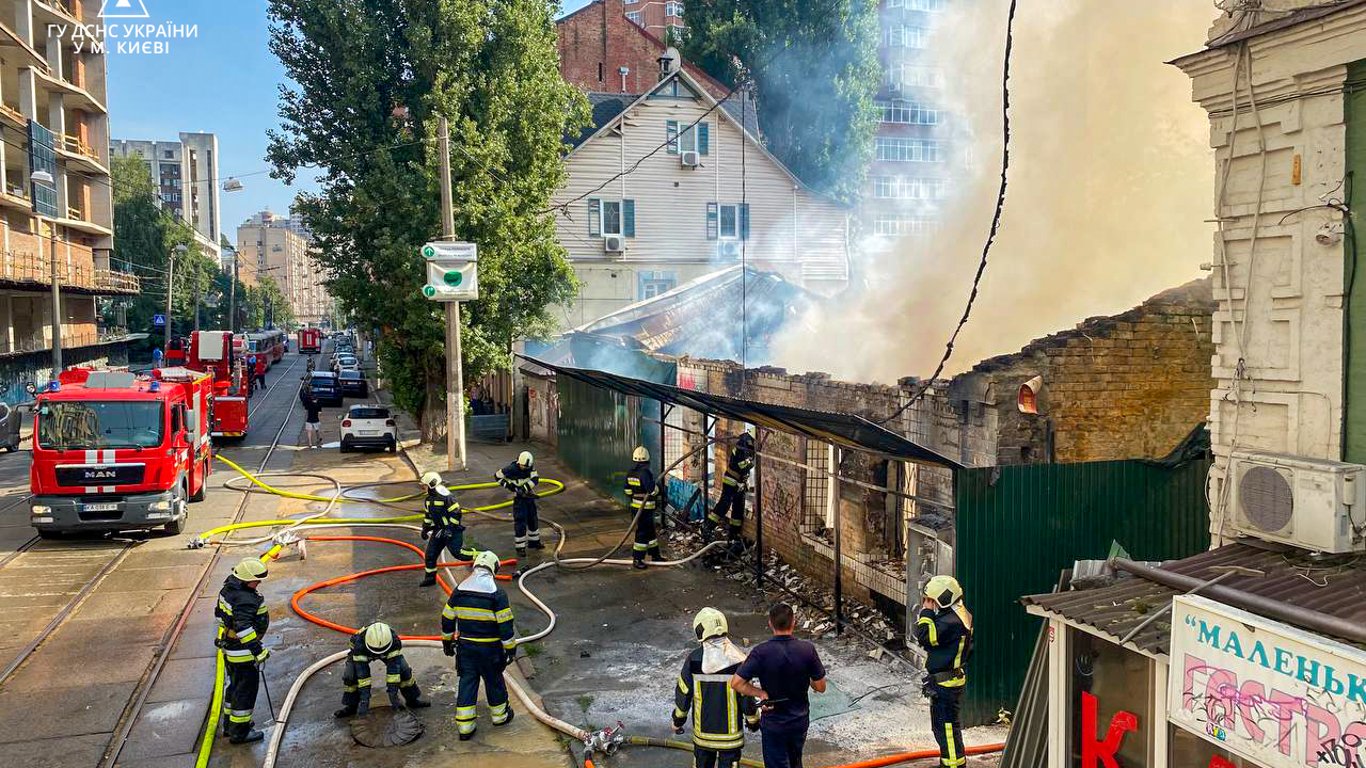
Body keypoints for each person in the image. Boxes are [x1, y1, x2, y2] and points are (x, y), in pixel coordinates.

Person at [730, 603, 827, 768]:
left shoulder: (761, 652)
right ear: (793, 622)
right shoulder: (807, 650)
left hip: (774, 723)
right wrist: (806, 676)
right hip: (799, 721)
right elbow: (821, 687)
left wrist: (760, 693)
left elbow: (736, 683)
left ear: (770, 623)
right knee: (796, 761)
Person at [440, 550, 517, 740]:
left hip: (466, 648)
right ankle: (500, 716)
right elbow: (505, 625)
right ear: (494, 568)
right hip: (490, 649)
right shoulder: (497, 594)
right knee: (494, 680)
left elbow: (447, 617)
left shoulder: (459, 591)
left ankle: (465, 727)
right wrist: (510, 649)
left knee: (467, 681)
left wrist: (447, 641)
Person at [673, 608, 761, 768]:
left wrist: (678, 720)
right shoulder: (738, 660)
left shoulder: (693, 660)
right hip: (731, 739)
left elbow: (684, 692)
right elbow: (747, 696)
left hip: (703, 737)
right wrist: (753, 721)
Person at [914, 576, 974, 768]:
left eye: (931, 599)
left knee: (946, 729)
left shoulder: (951, 622)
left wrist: (926, 611)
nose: (929, 603)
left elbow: (924, 636)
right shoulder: (958, 615)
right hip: (947, 681)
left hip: (946, 684)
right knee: (945, 727)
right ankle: (949, 763)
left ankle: (953, 765)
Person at [215, 557, 272, 744]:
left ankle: (229, 726)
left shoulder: (227, 590)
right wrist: (258, 651)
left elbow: (220, 616)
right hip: (243, 654)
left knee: (235, 687)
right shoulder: (245, 599)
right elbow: (244, 629)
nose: (259, 583)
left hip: (230, 649)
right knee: (245, 692)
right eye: (256, 580)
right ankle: (240, 732)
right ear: (245, 579)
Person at [334, 622, 432, 718]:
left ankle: (412, 700)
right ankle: (352, 706)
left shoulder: (394, 641)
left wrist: (393, 696)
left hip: (387, 650)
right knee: (350, 676)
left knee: (404, 670)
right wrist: (365, 700)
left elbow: (393, 672)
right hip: (363, 653)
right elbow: (363, 676)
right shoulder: (358, 644)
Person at [419, 471, 475, 587]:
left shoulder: (447, 497)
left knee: (458, 554)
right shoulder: (428, 500)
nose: (423, 488)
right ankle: (430, 578)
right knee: (430, 554)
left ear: (432, 485)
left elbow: (456, 514)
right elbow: (428, 516)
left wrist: (449, 529)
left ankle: (480, 555)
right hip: (439, 531)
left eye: (424, 485)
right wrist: (425, 529)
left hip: (453, 531)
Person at [705, 431, 756, 544]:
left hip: (740, 481)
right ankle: (707, 527)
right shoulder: (743, 445)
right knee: (725, 504)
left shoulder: (747, 444)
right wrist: (752, 461)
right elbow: (742, 465)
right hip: (732, 480)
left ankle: (734, 534)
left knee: (738, 507)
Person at [496, 451, 542, 556]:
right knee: (520, 521)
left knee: (533, 519)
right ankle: (520, 547)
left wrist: (524, 488)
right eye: (523, 467)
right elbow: (497, 476)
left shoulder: (530, 467)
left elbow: (535, 479)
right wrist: (509, 486)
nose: (525, 469)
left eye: (527, 468)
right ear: (519, 463)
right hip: (519, 499)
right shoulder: (511, 469)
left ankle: (534, 542)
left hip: (528, 496)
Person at [624, 446, 663, 569]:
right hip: (645, 508)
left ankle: (655, 555)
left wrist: (635, 496)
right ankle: (637, 558)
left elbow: (627, 490)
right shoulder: (645, 472)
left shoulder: (630, 472)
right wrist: (659, 490)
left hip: (636, 507)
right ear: (647, 460)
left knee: (650, 532)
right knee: (642, 533)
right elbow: (652, 490)